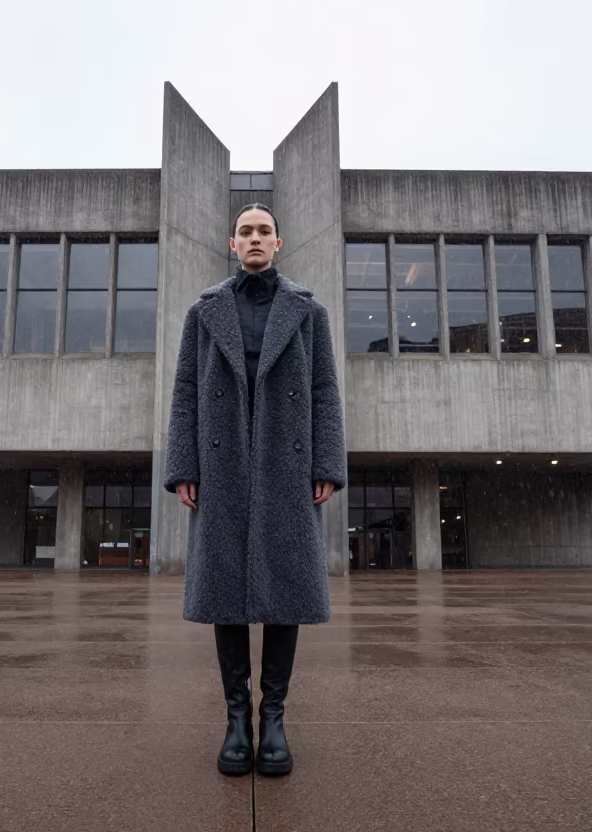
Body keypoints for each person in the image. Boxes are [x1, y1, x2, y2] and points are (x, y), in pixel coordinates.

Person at [162, 203, 347, 777]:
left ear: (279, 242)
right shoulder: (204, 310)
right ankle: (236, 719)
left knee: (286, 588)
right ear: (232, 244)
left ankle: (275, 720)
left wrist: (326, 463)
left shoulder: (307, 311)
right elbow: (187, 392)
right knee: (226, 591)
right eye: (246, 231)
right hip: (222, 463)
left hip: (285, 462)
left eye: (264, 230)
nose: (255, 238)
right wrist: (184, 464)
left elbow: (324, 391)